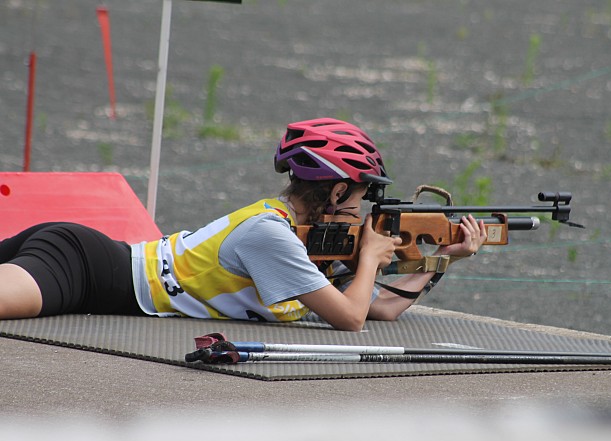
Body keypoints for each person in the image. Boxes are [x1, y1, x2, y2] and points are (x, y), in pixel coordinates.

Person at [0, 118, 486, 331]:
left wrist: (438, 260)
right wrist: (373, 258)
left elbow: (379, 310)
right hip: (81, 267)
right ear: (337, 191)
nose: (361, 211)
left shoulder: (288, 230)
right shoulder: (270, 234)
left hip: (88, 263)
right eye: (361, 196)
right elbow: (351, 317)